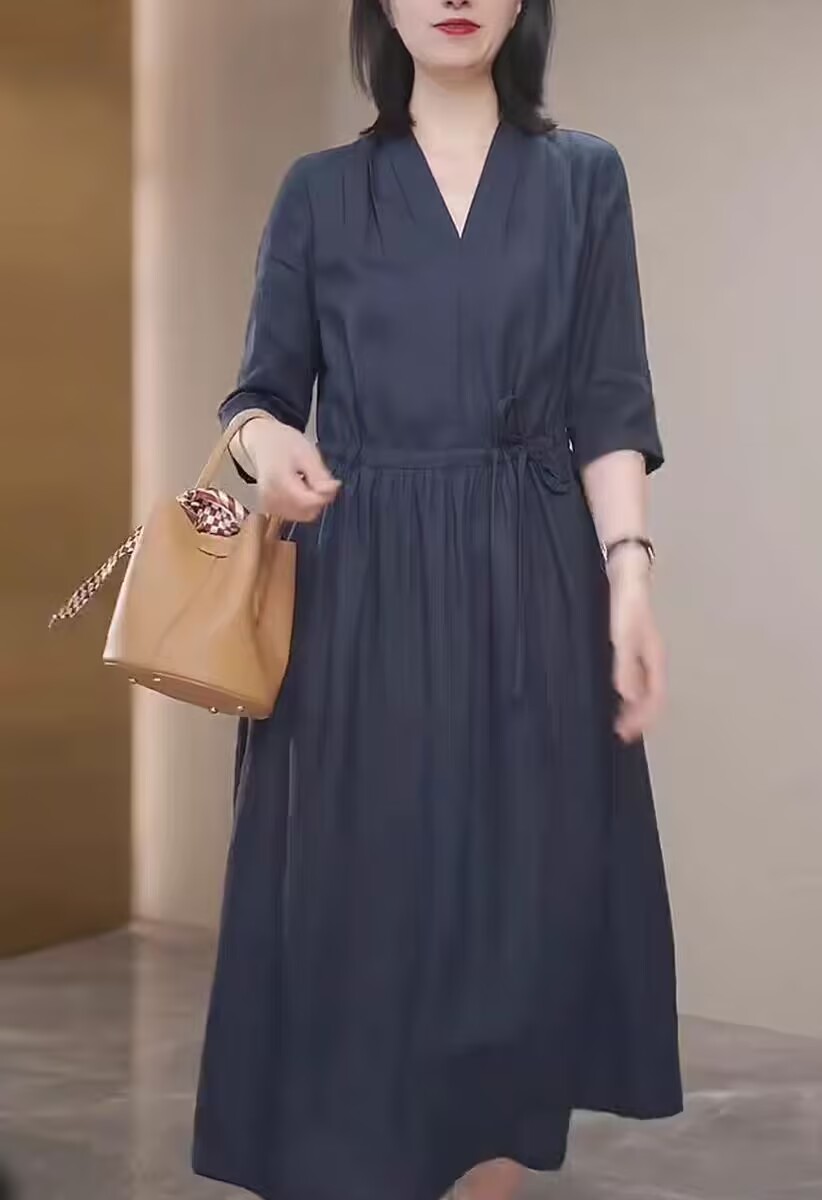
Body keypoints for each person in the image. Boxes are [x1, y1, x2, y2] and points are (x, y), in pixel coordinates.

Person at [191, 2, 684, 1198]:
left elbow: (611, 403)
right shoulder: (318, 193)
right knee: (362, 935)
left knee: (515, 947)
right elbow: (256, 399)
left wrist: (629, 577)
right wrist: (268, 449)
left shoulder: (584, 180)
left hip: (533, 593)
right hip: (359, 602)